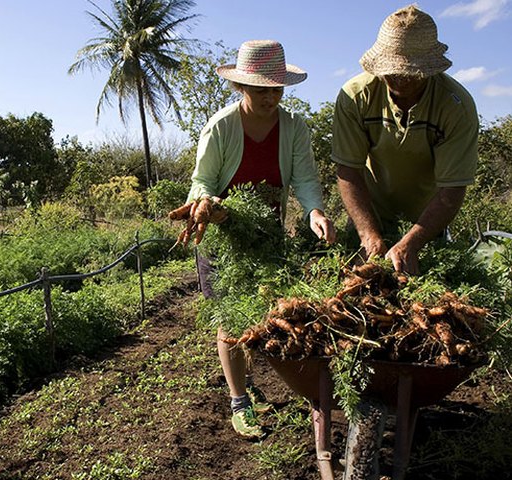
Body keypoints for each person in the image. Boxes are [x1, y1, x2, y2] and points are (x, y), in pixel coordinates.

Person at [177, 39, 336, 438]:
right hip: (222, 233)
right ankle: (238, 401)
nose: (270, 97)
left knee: (256, 313)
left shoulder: (295, 127)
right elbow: (202, 180)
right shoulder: (222, 126)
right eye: (261, 89)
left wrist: (315, 210)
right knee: (229, 317)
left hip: (267, 231)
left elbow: (304, 179)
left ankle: (246, 384)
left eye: (276, 89)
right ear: (241, 87)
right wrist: (206, 202)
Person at [332, 4, 479, 275]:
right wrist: (368, 233)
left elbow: (452, 188)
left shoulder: (455, 106)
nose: (399, 77)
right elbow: (348, 169)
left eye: (409, 72)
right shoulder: (356, 96)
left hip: (425, 223)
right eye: (392, 69)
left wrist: (412, 242)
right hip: (368, 212)